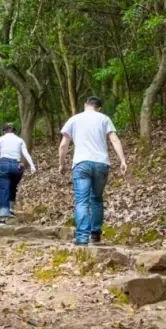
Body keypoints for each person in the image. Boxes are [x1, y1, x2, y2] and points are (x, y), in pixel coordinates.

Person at [57, 96, 127, 246]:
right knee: (96, 198)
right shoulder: (104, 119)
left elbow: (63, 145)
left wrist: (61, 164)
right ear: (99, 107)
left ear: (85, 105)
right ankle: (95, 234)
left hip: (81, 164)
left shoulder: (74, 119)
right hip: (101, 164)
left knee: (81, 201)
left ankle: (82, 237)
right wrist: (122, 160)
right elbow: (114, 140)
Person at [0, 123, 36, 224]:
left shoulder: (0, 139)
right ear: (14, 131)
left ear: (4, 131)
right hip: (17, 166)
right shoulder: (19, 140)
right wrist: (32, 165)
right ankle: (11, 209)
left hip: (4, 164)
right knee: (13, 186)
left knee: (4, 189)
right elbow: (25, 153)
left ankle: (3, 218)